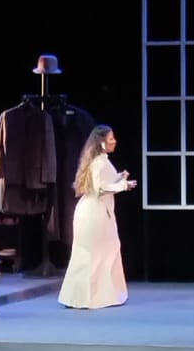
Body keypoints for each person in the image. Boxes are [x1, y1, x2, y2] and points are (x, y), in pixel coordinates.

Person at [58, 124, 137, 309]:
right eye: (111, 139)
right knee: (97, 254)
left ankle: (80, 296)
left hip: (93, 211)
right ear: (102, 142)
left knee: (92, 253)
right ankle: (91, 297)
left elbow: (103, 183)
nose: (114, 141)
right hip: (94, 213)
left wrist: (119, 178)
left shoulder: (99, 160)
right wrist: (123, 185)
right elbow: (99, 188)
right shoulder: (99, 162)